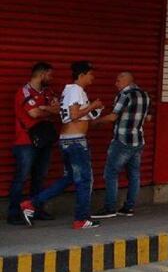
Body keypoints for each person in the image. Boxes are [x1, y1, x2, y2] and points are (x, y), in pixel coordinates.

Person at [19, 61, 104, 229]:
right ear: (81, 75)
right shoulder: (76, 90)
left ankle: (31, 204)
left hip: (69, 141)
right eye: (90, 74)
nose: (93, 78)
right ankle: (81, 218)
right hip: (76, 142)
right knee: (84, 180)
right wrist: (93, 105)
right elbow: (74, 115)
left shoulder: (70, 90)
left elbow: (77, 115)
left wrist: (95, 112)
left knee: (70, 178)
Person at [93, 72, 152, 218]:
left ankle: (110, 208)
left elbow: (113, 116)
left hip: (122, 140)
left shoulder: (124, 95)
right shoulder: (145, 95)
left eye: (118, 80)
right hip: (138, 140)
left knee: (111, 173)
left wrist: (96, 122)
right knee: (134, 175)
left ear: (127, 81)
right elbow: (148, 118)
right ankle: (128, 208)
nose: (116, 83)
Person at [8, 62, 61, 225]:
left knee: (40, 176)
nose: (51, 78)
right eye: (50, 75)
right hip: (25, 141)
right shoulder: (24, 91)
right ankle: (14, 213)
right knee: (22, 178)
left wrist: (45, 108)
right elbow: (34, 112)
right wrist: (47, 109)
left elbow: (58, 109)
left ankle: (35, 209)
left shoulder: (48, 91)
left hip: (44, 139)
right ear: (41, 74)